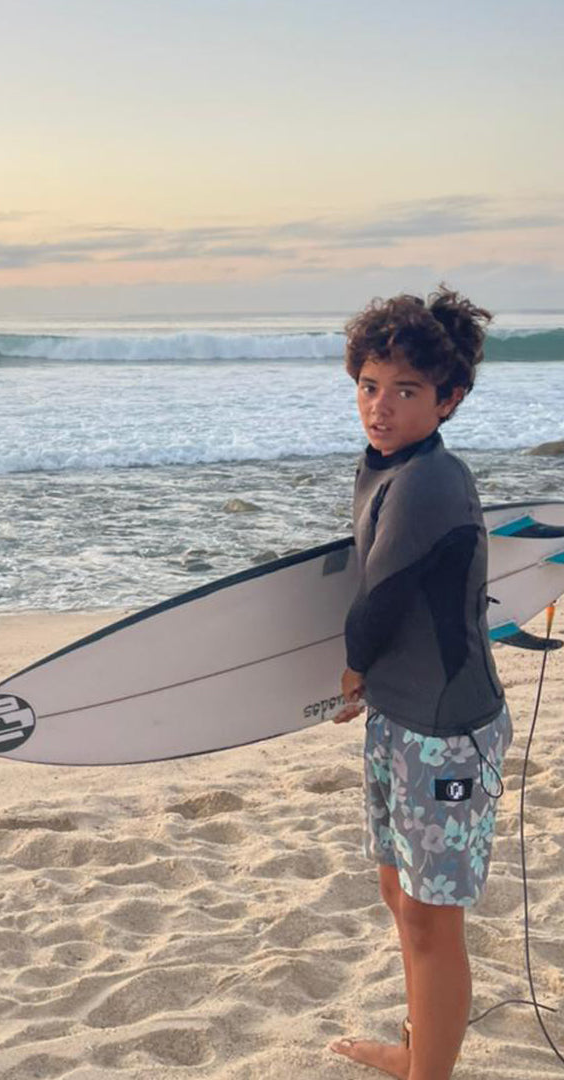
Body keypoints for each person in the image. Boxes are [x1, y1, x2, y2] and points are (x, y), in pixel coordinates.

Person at [328, 286, 511, 1080]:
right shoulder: (386, 466)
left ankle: (427, 1072)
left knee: (432, 923)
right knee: (400, 898)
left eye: (406, 391)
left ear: (449, 399)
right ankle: (418, 1051)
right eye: (370, 386)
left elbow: (385, 593)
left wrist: (350, 672)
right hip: (398, 719)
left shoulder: (431, 479)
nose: (381, 406)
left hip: (448, 732)